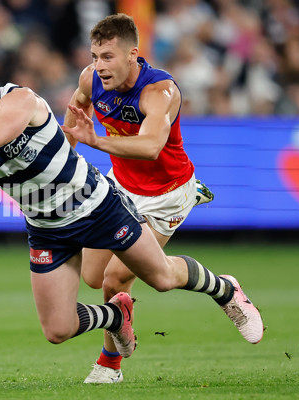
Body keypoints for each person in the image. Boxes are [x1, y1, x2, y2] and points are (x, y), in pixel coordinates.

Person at [0, 41, 263, 380]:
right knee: (57, 330)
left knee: (162, 278)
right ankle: (117, 316)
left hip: (97, 207)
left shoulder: (21, 101)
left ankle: (224, 288)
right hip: (46, 227)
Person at [62, 13, 214, 384]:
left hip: (166, 194)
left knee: (117, 279)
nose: (99, 65)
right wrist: (64, 164)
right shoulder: (90, 79)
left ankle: (109, 366)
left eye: (108, 57)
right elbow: (74, 111)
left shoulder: (160, 91)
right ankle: (123, 321)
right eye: (95, 55)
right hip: (122, 187)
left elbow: (149, 147)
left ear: (133, 54)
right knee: (94, 277)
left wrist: (95, 140)